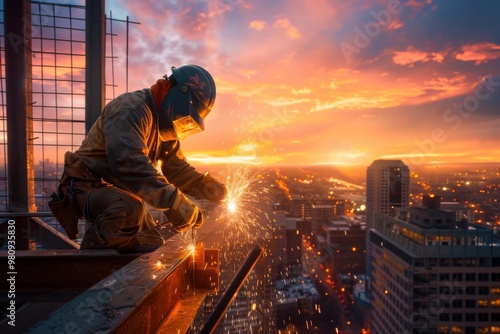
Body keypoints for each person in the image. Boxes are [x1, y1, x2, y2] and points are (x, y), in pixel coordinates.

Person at [49, 64, 227, 252]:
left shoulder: (163, 127)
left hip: (117, 192)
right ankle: (87, 273)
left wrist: (203, 185)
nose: (182, 121)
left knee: (152, 246)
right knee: (127, 210)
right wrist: (174, 201)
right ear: (177, 95)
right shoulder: (131, 108)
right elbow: (128, 162)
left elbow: (177, 169)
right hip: (85, 185)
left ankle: (126, 280)